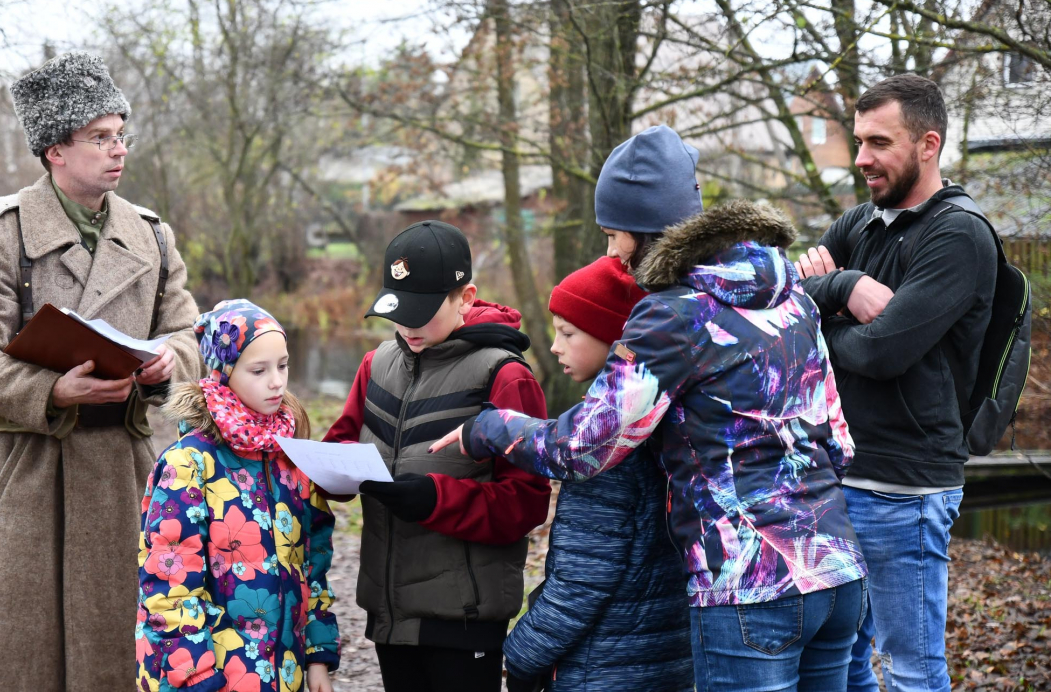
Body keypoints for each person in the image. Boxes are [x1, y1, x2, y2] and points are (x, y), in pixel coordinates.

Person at [433, 125, 867, 692]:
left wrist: (491, 427)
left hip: (750, 587)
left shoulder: (672, 315)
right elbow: (840, 443)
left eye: (615, 234)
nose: (611, 252)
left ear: (649, 231)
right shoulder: (793, 298)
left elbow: (584, 448)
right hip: (836, 571)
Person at [0, 51, 201, 691]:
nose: (118, 151)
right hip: (24, 472)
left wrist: (170, 360)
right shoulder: (0, 232)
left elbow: (192, 332)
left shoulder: (153, 236)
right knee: (12, 660)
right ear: (55, 149)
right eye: (99, 138)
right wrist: (51, 388)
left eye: (121, 136)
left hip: (121, 472)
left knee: (118, 654)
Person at [793, 74, 997, 692]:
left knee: (910, 670)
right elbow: (783, 311)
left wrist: (819, 319)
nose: (861, 159)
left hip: (904, 490)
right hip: (838, 476)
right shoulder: (860, 223)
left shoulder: (956, 235)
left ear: (928, 144)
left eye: (879, 143)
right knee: (844, 661)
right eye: (858, 142)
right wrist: (841, 288)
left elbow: (883, 352)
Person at [322, 220, 551, 692]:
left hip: (464, 618)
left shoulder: (506, 378)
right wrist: (336, 471)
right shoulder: (375, 364)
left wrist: (434, 499)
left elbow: (527, 503)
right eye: (398, 311)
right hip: (388, 612)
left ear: (466, 298)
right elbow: (339, 444)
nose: (407, 326)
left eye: (422, 312)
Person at [502, 256, 692, 692]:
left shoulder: (601, 447)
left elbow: (582, 582)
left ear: (616, 339)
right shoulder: (666, 421)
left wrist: (520, 656)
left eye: (568, 332)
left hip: (601, 665)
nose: (554, 346)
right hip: (663, 658)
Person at [137, 299, 339, 692]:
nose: (277, 381)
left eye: (283, 366)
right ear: (223, 373)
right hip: (212, 676)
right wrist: (195, 678)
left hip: (285, 671)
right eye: (259, 370)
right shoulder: (190, 465)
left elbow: (313, 565)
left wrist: (317, 657)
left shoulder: (290, 456)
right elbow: (169, 585)